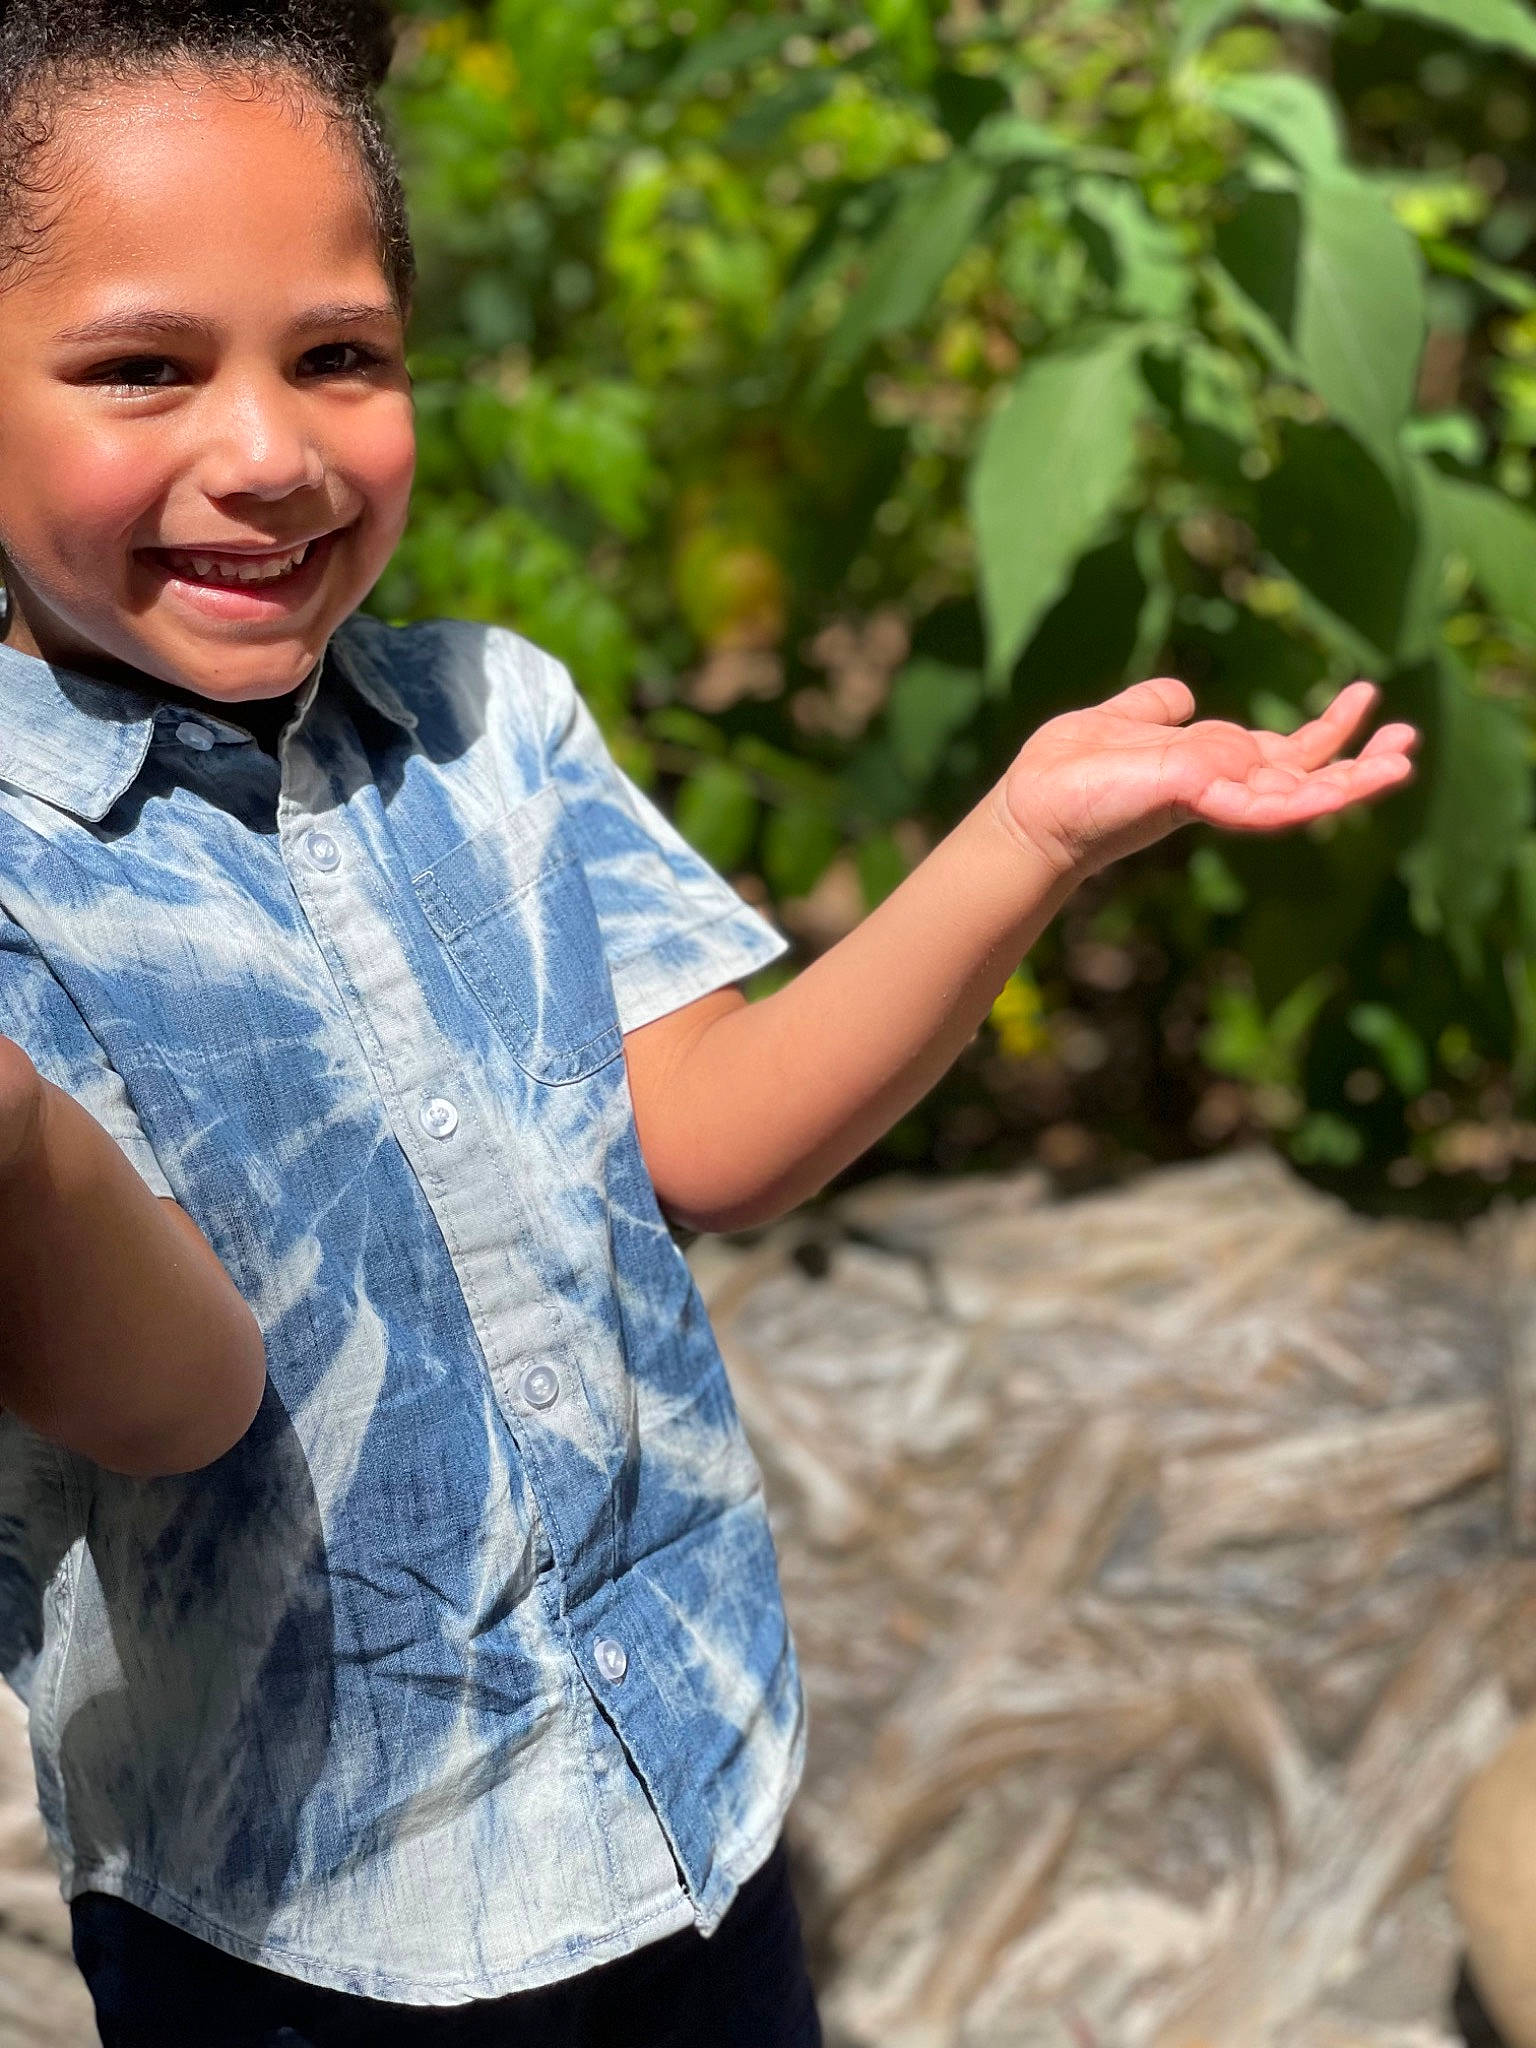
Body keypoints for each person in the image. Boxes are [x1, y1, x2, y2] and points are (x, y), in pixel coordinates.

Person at [0, 1, 1418, 2042]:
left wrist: (1024, 833)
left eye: (341, 354)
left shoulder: (494, 724)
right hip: (309, 1912)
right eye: (142, 367)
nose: (271, 452)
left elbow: (717, 1129)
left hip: (686, 1776)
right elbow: (179, 1407)